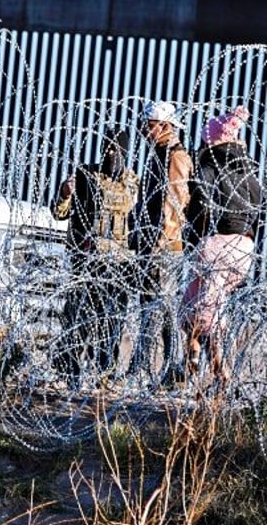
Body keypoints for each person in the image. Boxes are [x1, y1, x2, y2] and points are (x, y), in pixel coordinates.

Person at [51, 129, 138, 388]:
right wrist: (65, 193)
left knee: (111, 321)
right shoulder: (85, 175)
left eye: (116, 150)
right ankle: (68, 373)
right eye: (107, 149)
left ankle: (104, 375)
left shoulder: (134, 182)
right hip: (87, 260)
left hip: (119, 263)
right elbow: (59, 213)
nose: (111, 154)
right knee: (77, 319)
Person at [182, 106, 262, 388]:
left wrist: (190, 236)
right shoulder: (248, 170)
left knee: (194, 311)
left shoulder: (210, 165)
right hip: (244, 248)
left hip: (216, 245)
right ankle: (215, 368)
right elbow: (260, 208)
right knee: (214, 309)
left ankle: (202, 362)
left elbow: (200, 204)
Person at [126, 100, 193, 384]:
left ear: (165, 126)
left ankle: (140, 368)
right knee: (162, 308)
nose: (144, 130)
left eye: (149, 125)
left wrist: (159, 239)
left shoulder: (175, 156)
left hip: (163, 246)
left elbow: (175, 201)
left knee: (154, 307)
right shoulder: (160, 153)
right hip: (152, 242)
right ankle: (173, 369)